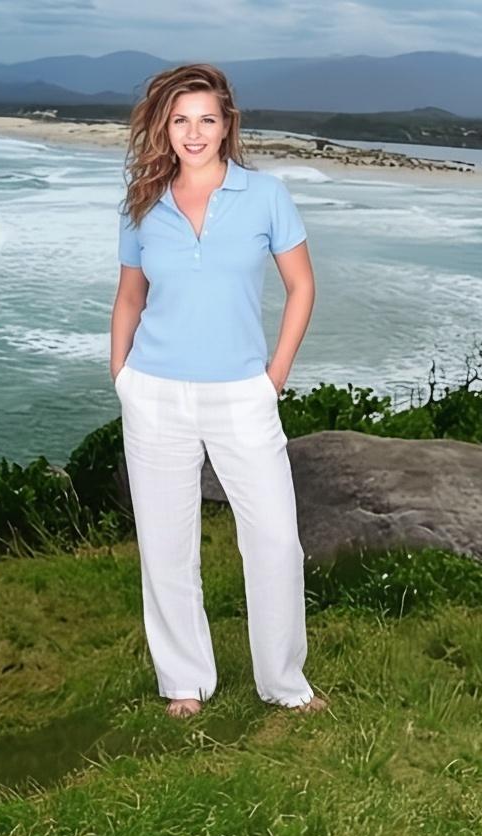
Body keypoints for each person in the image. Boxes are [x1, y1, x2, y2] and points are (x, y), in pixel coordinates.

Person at [109, 63, 327, 719]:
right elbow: (129, 298)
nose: (194, 132)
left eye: (206, 118)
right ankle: (184, 682)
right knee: (166, 546)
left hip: (241, 394)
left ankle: (284, 683)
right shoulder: (142, 202)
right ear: (164, 127)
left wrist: (275, 374)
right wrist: (122, 376)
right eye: (181, 120)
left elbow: (302, 286)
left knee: (275, 542)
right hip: (155, 393)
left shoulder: (265, 196)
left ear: (227, 124)